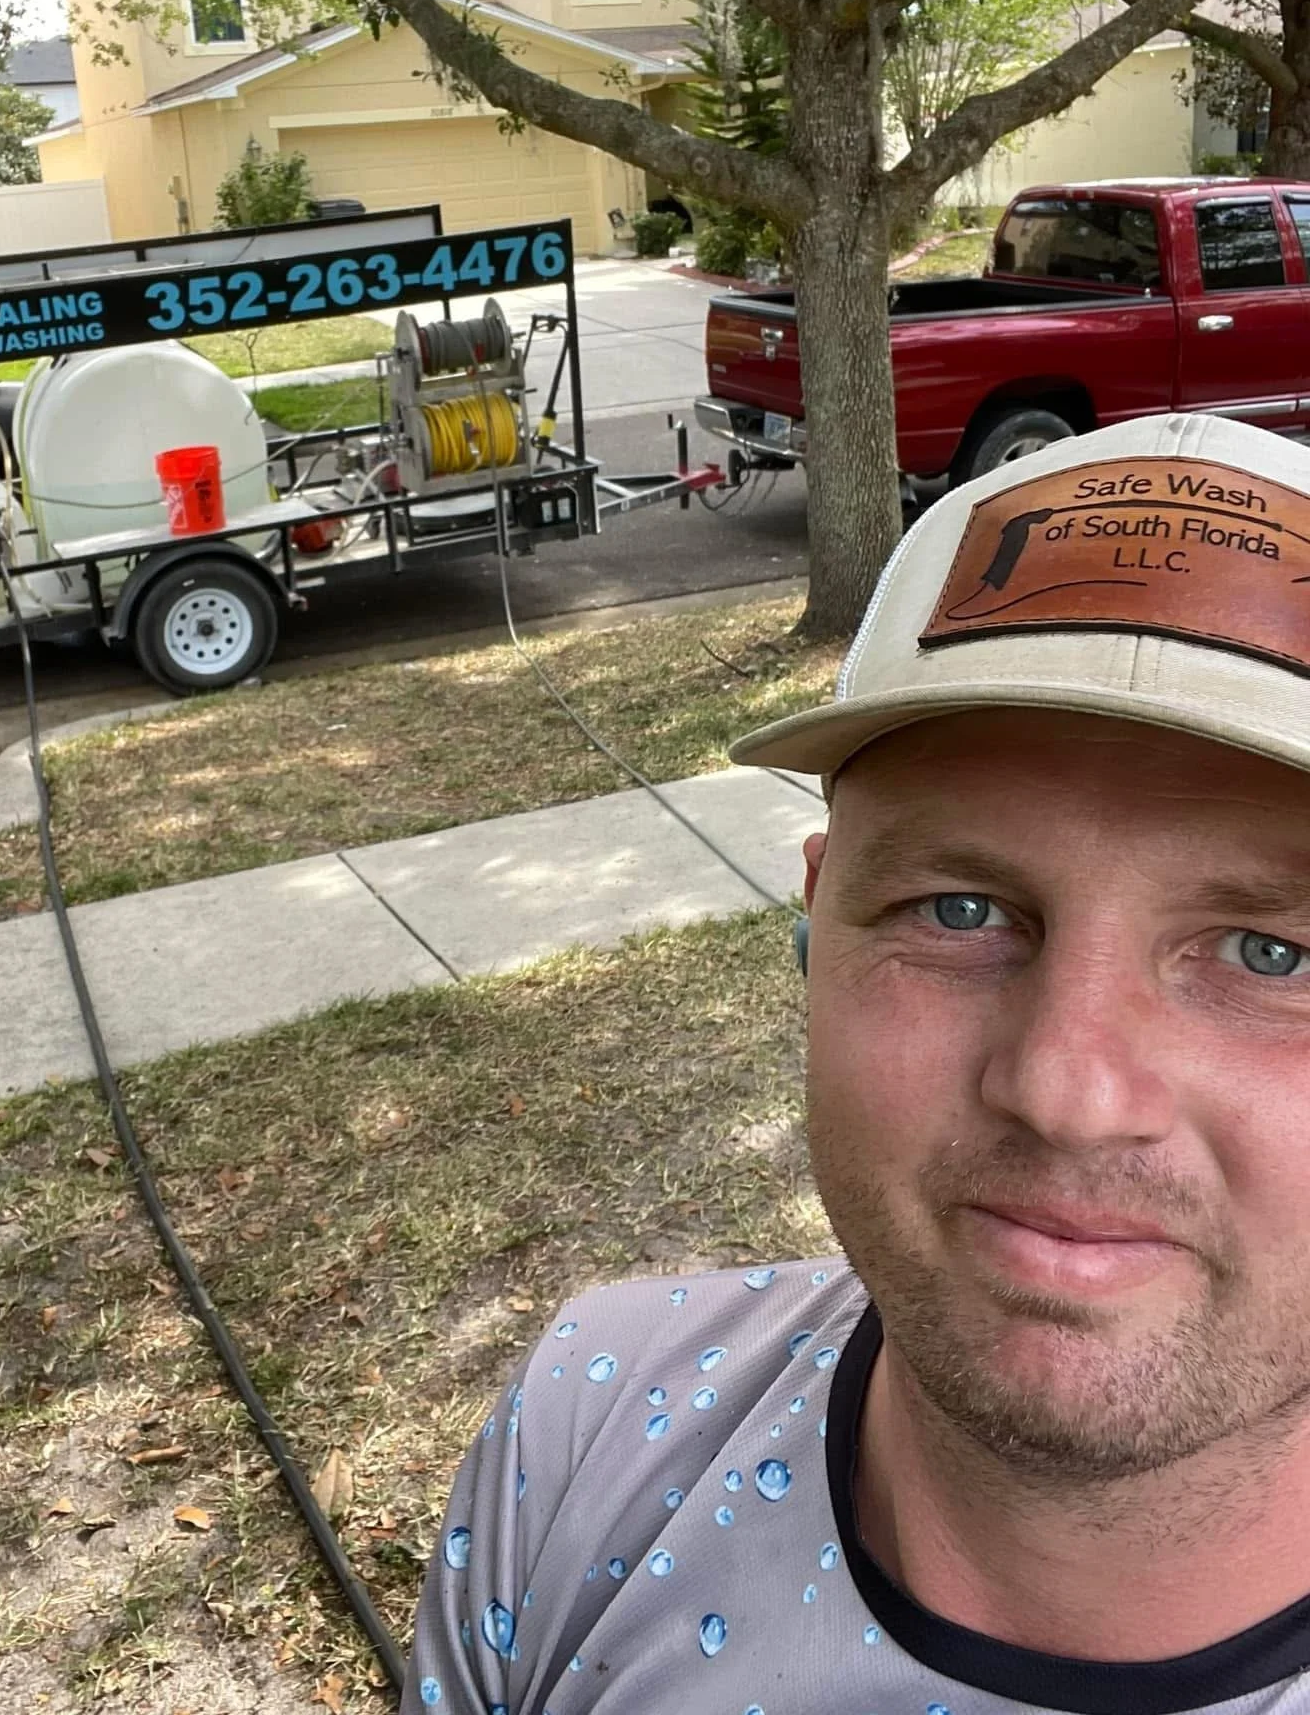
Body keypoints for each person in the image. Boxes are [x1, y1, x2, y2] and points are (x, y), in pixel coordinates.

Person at [402, 410, 1310, 1714]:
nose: (1065, 1091)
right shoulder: (585, 1431)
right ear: (816, 926)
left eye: (1270, 953)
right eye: (961, 911)